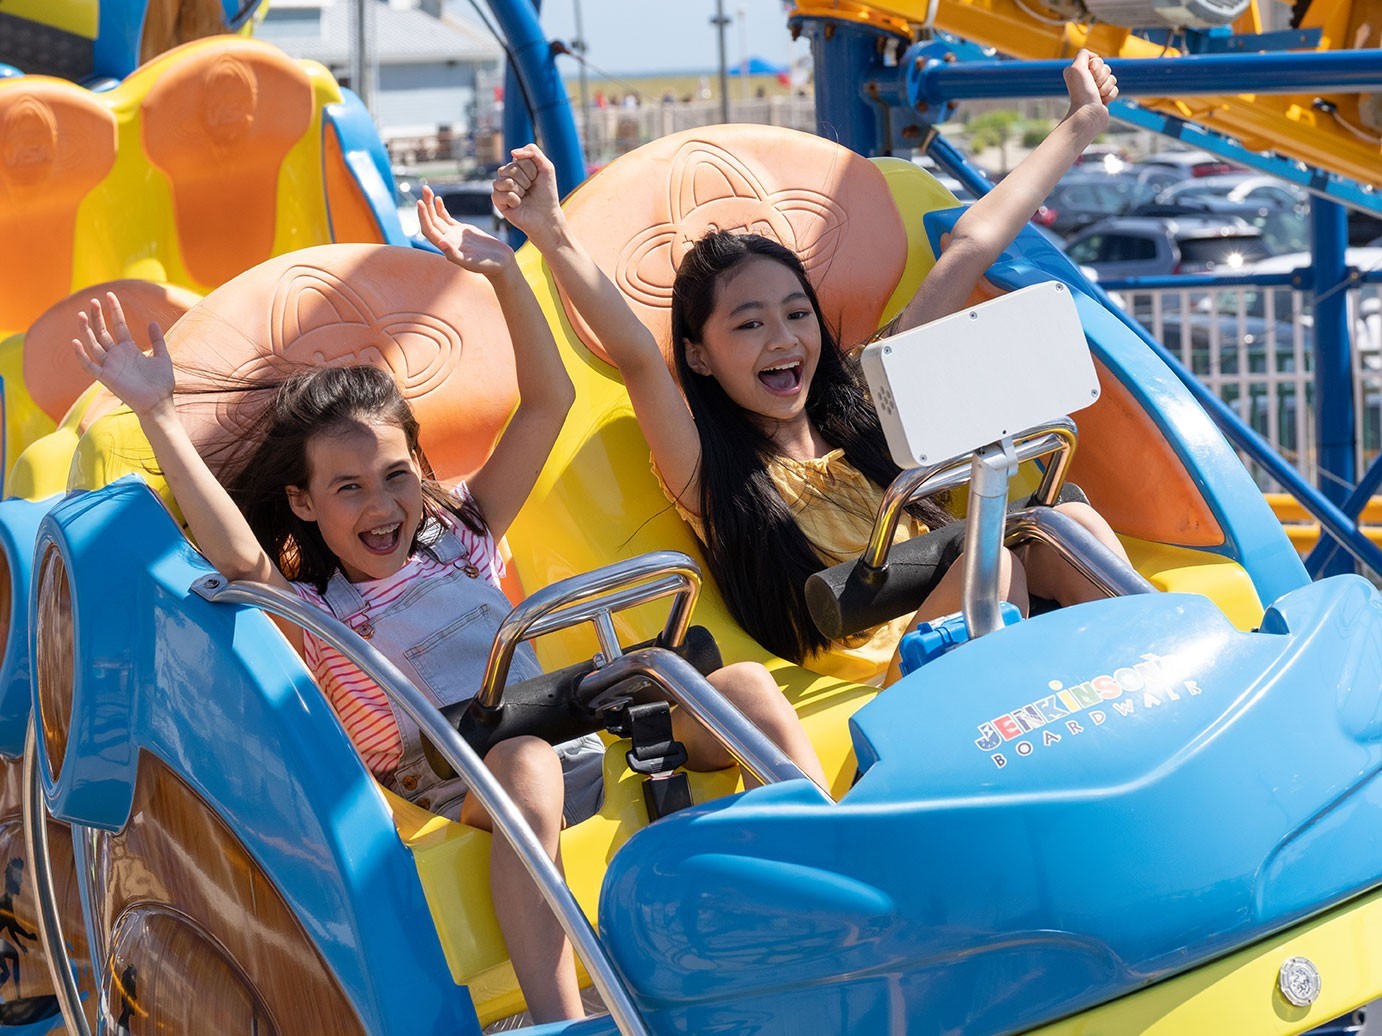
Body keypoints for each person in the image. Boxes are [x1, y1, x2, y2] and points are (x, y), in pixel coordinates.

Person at [72, 187, 827, 1024]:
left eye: (397, 477)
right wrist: (160, 416)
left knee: (744, 690)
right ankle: (561, 1012)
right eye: (348, 489)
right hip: (455, 767)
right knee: (527, 766)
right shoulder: (320, 611)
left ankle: (833, 879)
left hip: (559, 715)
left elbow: (550, 403)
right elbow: (239, 559)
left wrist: (505, 271)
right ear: (303, 504)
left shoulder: (461, 534)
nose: (383, 505)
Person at [493, 50, 1133, 686]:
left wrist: (1080, 123)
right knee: (990, 562)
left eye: (797, 314)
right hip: (885, 691)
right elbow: (635, 352)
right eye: (748, 324)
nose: (783, 339)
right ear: (699, 356)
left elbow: (967, 250)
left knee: (1065, 525)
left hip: (973, 642)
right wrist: (552, 233)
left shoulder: (865, 407)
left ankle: (1157, 677)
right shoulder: (713, 475)